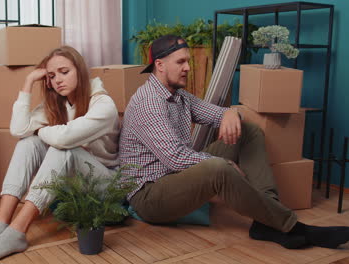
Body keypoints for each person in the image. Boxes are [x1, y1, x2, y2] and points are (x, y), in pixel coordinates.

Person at [119, 34, 349, 249]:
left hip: (175, 177)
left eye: (188, 61)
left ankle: (266, 220)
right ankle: (291, 225)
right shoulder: (148, 103)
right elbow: (176, 157)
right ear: (159, 65)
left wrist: (230, 113)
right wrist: (225, 165)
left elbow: (217, 114)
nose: (188, 68)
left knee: (248, 130)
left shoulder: (179, 96)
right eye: (180, 62)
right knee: (218, 168)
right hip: (149, 195)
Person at [0, 46, 120, 260]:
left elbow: (63, 139)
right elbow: (19, 130)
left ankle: (18, 231)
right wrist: (29, 81)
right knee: (27, 143)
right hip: (78, 184)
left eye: (64, 72)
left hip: (106, 186)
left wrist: (41, 129)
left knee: (61, 149)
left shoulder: (103, 105)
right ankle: (1, 223)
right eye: (51, 76)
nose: (58, 80)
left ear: (80, 70)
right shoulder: (59, 104)